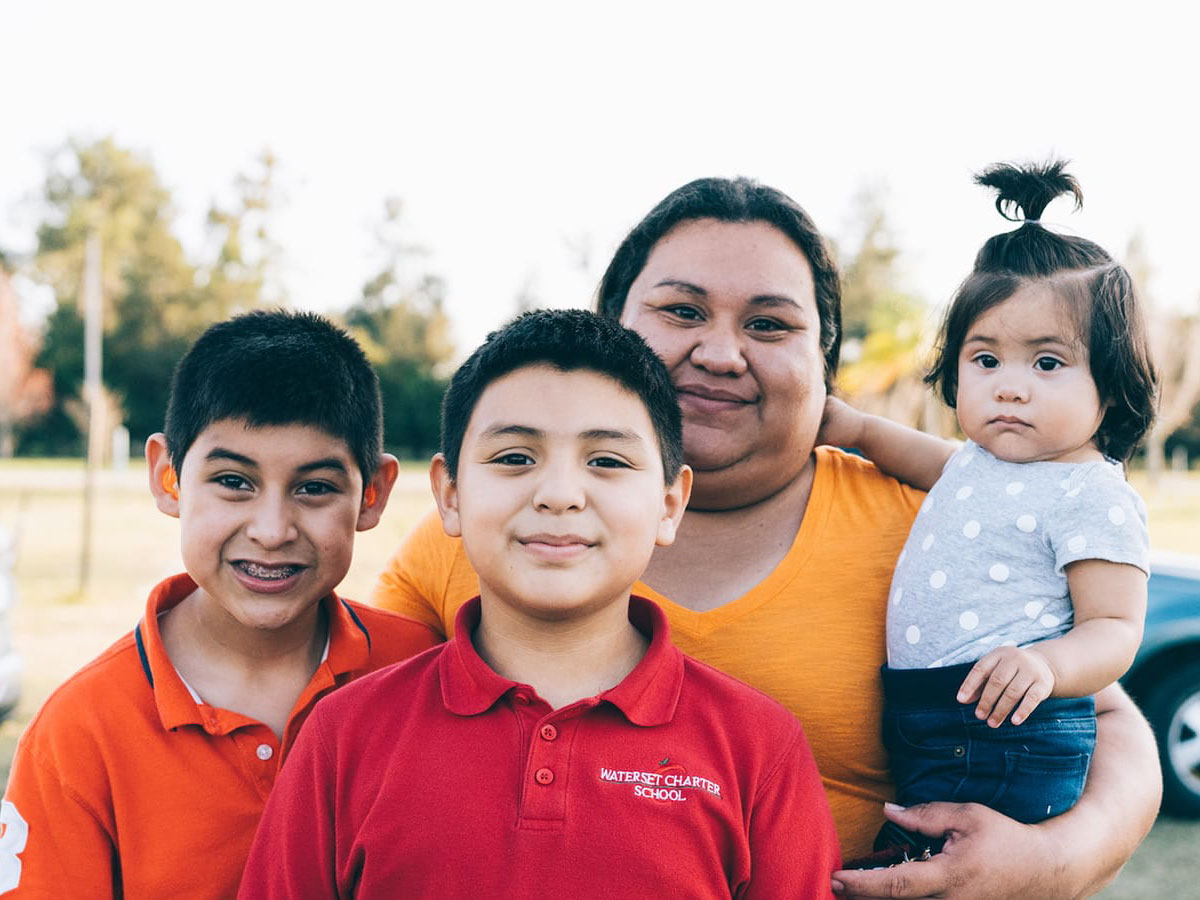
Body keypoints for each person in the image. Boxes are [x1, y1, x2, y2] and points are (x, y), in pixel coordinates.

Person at [371, 177, 1162, 898]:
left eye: (768, 324)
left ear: (823, 362)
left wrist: (1048, 862)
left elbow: (1111, 721)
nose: (720, 353)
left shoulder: (930, 521)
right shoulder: (489, 527)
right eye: (681, 312)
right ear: (610, 329)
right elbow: (356, 737)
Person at [239, 309, 840, 898]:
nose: (558, 495)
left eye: (606, 461)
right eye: (514, 458)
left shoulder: (758, 749)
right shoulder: (345, 735)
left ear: (669, 503)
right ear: (449, 494)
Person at [0, 311, 440, 898]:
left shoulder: (425, 673)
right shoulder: (80, 733)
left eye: (315, 487)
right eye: (234, 481)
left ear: (373, 494)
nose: (271, 529)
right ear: (168, 477)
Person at [821, 160, 1156, 856]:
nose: (1009, 388)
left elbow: (1116, 628)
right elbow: (913, 451)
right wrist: (852, 430)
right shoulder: (976, 465)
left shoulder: (1091, 492)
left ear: (1112, 384)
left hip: (1008, 726)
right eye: (985, 359)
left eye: (1046, 363)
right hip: (929, 717)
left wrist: (1049, 666)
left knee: (951, 863)